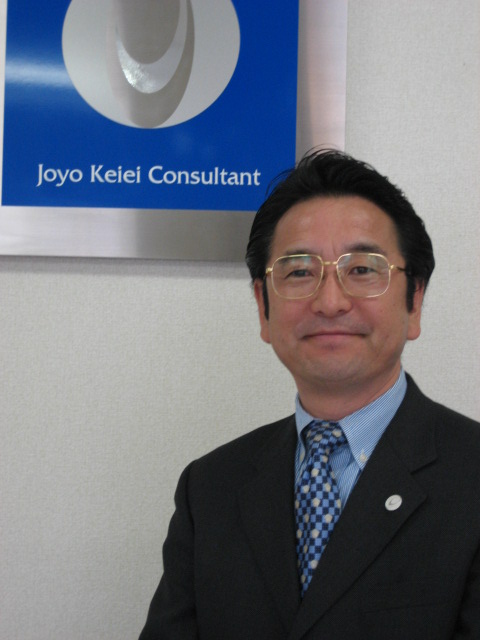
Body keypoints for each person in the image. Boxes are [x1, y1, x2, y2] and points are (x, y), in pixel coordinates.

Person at [138, 150, 480, 639]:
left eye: (362, 269)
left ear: (415, 302)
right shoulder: (210, 488)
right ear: (263, 306)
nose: (331, 301)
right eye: (299, 271)